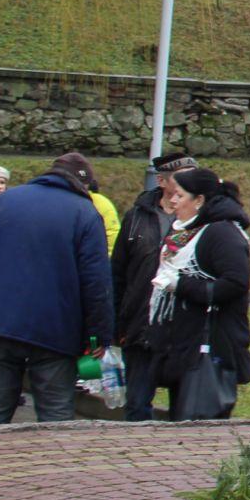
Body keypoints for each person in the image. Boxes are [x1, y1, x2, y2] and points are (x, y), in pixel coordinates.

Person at [0, 152, 112, 426]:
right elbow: (96, 282)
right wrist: (98, 336)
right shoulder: (85, 212)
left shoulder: (4, 201)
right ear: (83, 184)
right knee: (55, 414)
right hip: (55, 328)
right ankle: (53, 465)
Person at [148, 169, 250, 421]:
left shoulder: (222, 233)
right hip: (182, 340)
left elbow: (236, 283)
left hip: (209, 344)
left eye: (180, 195)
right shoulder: (184, 231)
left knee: (198, 425)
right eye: (173, 194)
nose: (172, 200)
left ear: (199, 201)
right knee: (180, 417)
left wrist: (181, 285)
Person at [109, 152, 198, 422]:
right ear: (161, 181)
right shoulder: (137, 217)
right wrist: (116, 324)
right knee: (137, 406)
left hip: (185, 329)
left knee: (187, 412)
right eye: (182, 177)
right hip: (140, 327)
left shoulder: (205, 219)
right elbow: (118, 275)